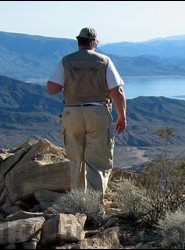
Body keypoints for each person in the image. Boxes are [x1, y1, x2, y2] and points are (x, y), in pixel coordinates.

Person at [46, 27, 127, 197]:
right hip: (97, 112)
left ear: (79, 42)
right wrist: (121, 116)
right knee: (97, 160)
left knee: (76, 159)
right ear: (94, 43)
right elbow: (117, 91)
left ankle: (77, 201)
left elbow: (52, 88)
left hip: (72, 113)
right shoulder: (104, 61)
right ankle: (94, 204)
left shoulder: (66, 61)